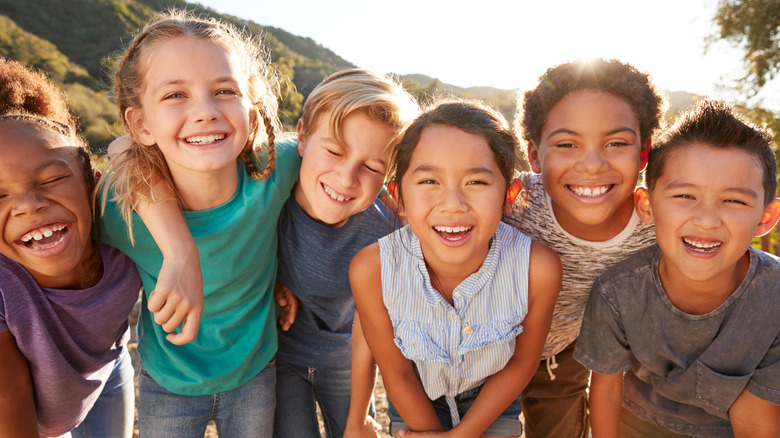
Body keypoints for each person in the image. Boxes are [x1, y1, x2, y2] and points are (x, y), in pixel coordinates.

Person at [98, 11, 300, 437]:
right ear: (141, 124)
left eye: (225, 90)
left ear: (252, 108)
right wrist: (179, 247)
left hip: (255, 371)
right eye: (175, 95)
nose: (205, 112)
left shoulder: (278, 169)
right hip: (169, 380)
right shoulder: (119, 210)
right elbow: (120, 149)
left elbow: (348, 161)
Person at [350, 99, 562, 437]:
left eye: (476, 182)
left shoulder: (537, 268)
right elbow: (397, 373)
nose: (452, 205)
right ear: (398, 198)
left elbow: (522, 363)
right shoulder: (372, 269)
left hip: (494, 395)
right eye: (429, 182)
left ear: (510, 194)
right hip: (416, 394)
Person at [575, 100, 780, 438]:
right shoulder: (618, 292)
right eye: (685, 195)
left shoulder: (772, 300)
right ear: (647, 205)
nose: (706, 220)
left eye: (734, 201)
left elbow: (757, 420)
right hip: (639, 422)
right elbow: (607, 390)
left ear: (765, 218)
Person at [502, 58, 667, 438]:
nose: (592, 164)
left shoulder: (655, 224)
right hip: (478, 351)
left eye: (616, 143)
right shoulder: (512, 201)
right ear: (534, 155)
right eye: (566, 143)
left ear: (643, 154)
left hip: (561, 357)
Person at [273, 68, 418, 438]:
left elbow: (376, 326)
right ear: (302, 136)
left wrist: (359, 418)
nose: (346, 178)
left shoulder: (387, 230)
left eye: (371, 167)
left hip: (350, 362)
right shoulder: (269, 203)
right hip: (281, 359)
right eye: (335, 151)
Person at [0, 57, 140, 438]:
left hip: (108, 373)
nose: (28, 204)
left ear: (92, 184)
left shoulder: (128, 234)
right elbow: (9, 398)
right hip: (34, 408)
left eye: (52, 179)